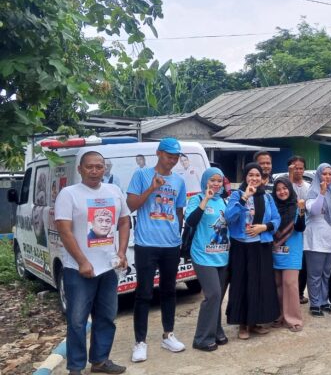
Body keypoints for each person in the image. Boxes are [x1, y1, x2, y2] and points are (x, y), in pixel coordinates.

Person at [55, 151, 130, 375]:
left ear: (105, 169)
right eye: (90, 167)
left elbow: (124, 221)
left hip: (108, 268)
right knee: (77, 321)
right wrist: (82, 261)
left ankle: (99, 361)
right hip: (78, 270)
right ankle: (76, 368)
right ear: (80, 169)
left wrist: (122, 252)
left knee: (107, 317)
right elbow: (64, 230)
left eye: (99, 166)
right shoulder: (69, 194)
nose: (95, 171)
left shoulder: (114, 191)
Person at [126, 138, 188, 362]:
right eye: (169, 155)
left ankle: (168, 334)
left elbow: (179, 211)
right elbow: (131, 205)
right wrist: (152, 188)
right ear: (159, 153)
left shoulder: (179, 181)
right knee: (143, 293)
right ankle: (140, 342)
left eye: (175, 157)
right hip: (146, 244)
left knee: (169, 291)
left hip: (171, 244)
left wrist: (178, 237)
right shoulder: (141, 175)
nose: (172, 160)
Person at [225, 163, 281, 340]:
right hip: (241, 247)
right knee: (241, 283)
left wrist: (264, 227)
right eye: (251, 175)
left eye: (257, 175)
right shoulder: (236, 195)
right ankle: (242, 324)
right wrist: (244, 198)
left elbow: (276, 218)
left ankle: (255, 322)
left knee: (259, 284)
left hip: (260, 245)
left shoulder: (266, 197)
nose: (254, 178)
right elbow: (229, 217)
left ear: (262, 178)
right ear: (245, 177)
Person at [185, 167, 230, 352]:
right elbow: (191, 221)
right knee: (212, 295)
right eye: (212, 180)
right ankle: (202, 338)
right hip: (203, 256)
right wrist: (205, 199)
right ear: (205, 181)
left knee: (217, 297)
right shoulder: (196, 199)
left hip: (222, 255)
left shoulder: (223, 201)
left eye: (219, 181)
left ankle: (216, 330)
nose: (216, 184)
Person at [305, 163, 331, 316]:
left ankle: (324, 301)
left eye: (330, 174)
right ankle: (314, 303)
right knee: (315, 274)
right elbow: (314, 210)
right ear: (318, 175)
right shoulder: (312, 191)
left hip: (330, 239)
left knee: (326, 273)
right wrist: (321, 193)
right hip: (315, 240)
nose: (327, 177)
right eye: (324, 174)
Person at [271, 177, 306, 332]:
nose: (282, 192)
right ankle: (279, 316)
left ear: (290, 190)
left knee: (290, 284)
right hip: (275, 252)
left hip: (292, 252)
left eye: (285, 188)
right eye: (278, 189)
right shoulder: (272, 207)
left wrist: (301, 211)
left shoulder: (297, 206)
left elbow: (300, 227)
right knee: (277, 285)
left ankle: (293, 319)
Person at [287, 155, 311, 305]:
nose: (298, 171)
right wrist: (289, 175)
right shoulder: (284, 183)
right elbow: (285, 195)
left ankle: (300, 293)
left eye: (301, 168)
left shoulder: (308, 187)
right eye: (295, 168)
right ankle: (289, 292)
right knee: (290, 262)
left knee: (303, 263)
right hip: (287, 230)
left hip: (304, 229)